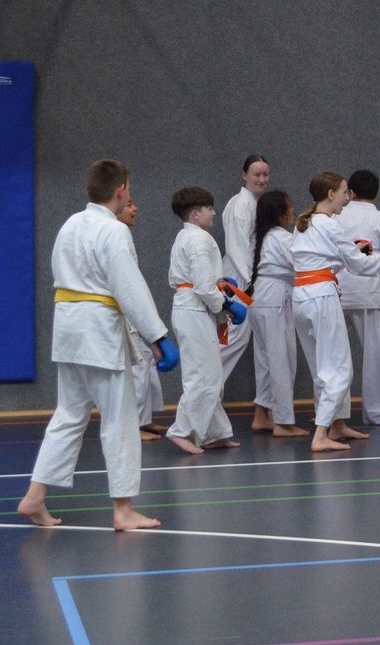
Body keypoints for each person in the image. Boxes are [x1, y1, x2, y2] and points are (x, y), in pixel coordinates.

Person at [18, 159, 176, 530]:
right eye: (129, 189)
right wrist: (158, 336)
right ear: (121, 190)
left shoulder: (70, 224)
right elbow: (129, 288)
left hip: (68, 329)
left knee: (69, 415)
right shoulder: (114, 231)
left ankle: (35, 496)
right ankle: (123, 509)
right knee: (120, 420)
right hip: (99, 332)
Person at [294, 172, 380, 452]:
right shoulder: (330, 225)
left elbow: (319, 257)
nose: (347, 198)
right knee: (338, 368)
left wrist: (351, 252)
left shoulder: (304, 223)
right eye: (344, 192)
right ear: (330, 194)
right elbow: (360, 266)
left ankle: (336, 424)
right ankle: (321, 433)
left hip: (301, 295)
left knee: (321, 366)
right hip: (321, 296)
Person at [166, 186, 242, 454]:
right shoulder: (198, 240)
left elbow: (205, 282)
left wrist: (220, 294)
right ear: (195, 214)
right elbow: (203, 286)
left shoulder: (188, 236)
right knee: (203, 376)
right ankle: (181, 430)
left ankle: (212, 433)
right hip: (194, 309)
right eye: (209, 208)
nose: (214, 212)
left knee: (211, 374)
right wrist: (226, 306)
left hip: (194, 309)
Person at [336, 169, 380, 431]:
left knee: (333, 355)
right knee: (375, 353)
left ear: (350, 192)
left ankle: (330, 413)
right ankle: (377, 411)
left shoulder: (336, 215)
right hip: (368, 291)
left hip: (336, 290)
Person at [248, 188, 308, 438]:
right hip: (275, 299)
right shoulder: (282, 238)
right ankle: (283, 422)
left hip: (260, 298)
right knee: (282, 360)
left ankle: (261, 415)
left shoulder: (261, 236)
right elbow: (302, 263)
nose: (293, 210)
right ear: (280, 214)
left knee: (265, 361)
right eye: (289, 206)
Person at [221, 155, 274, 429]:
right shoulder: (239, 205)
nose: (262, 180)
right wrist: (249, 285)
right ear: (244, 175)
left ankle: (262, 413)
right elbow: (237, 249)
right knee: (229, 344)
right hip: (239, 286)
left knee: (261, 348)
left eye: (265, 174)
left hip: (253, 284)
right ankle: (201, 401)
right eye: (256, 174)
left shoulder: (256, 204)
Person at [117, 195, 168, 441]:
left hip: (129, 309)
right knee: (137, 366)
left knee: (145, 358)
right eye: (129, 205)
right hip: (122, 310)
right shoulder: (116, 234)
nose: (135, 208)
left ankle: (144, 419)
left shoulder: (122, 233)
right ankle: (134, 425)